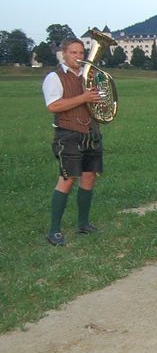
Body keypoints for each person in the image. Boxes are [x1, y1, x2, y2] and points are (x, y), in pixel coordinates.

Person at [42, 37, 106, 246]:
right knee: (67, 179)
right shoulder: (54, 77)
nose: (79, 57)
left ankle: (83, 224)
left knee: (89, 178)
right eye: (74, 53)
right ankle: (54, 231)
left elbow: (97, 101)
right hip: (68, 134)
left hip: (91, 132)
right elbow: (53, 106)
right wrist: (84, 98)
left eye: (81, 53)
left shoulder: (88, 75)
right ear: (64, 53)